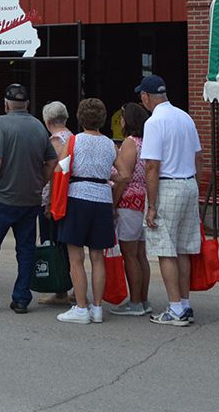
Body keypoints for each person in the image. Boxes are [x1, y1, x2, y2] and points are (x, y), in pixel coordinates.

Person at [0, 83, 57, 315]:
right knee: (25, 250)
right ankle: (21, 298)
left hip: (4, 198)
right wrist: (40, 183)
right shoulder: (38, 126)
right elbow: (52, 162)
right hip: (30, 200)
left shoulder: (1, 124)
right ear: (27, 104)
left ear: (6, 104)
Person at [139, 74, 202, 326]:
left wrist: (151, 205)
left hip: (168, 186)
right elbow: (198, 157)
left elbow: (152, 166)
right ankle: (184, 303)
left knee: (166, 249)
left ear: (145, 97)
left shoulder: (155, 122)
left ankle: (175, 308)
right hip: (189, 183)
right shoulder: (184, 116)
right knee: (184, 248)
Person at [56, 98, 117, 324]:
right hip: (102, 197)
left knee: (76, 257)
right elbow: (121, 173)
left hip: (78, 197)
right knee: (98, 256)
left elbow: (59, 167)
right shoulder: (110, 144)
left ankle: (81, 307)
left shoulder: (74, 141)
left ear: (80, 118)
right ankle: (98, 307)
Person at [110, 102, 152, 316]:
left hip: (129, 201)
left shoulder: (129, 143)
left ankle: (134, 302)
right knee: (141, 254)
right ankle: (143, 299)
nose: (121, 121)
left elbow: (123, 177)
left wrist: (114, 203)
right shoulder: (148, 142)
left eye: (123, 117)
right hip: (145, 198)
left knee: (130, 254)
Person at [39, 100, 75, 306]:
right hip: (69, 197)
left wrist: (48, 202)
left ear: (47, 120)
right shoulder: (72, 137)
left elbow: (54, 173)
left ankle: (60, 288)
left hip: (54, 200)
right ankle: (70, 286)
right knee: (67, 244)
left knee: (53, 242)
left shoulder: (55, 141)